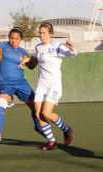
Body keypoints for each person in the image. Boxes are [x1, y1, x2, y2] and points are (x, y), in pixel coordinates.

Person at [20, 22, 78, 150]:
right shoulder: (39, 47)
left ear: (51, 34)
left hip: (54, 84)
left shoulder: (57, 46)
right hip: (42, 84)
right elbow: (35, 59)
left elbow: (73, 55)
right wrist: (26, 60)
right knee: (38, 114)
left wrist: (72, 47)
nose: (41, 35)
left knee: (46, 113)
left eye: (44, 33)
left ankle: (66, 129)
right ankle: (52, 141)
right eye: (40, 33)